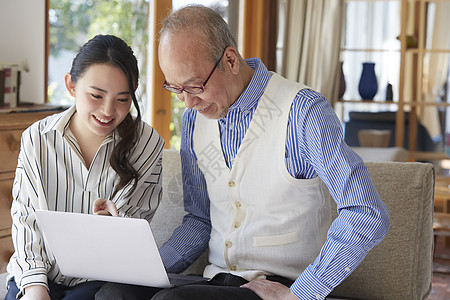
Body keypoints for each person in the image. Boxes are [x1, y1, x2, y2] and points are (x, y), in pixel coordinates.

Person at [96, 5, 390, 300]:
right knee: (112, 294)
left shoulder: (303, 112)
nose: (187, 102)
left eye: (195, 86)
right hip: (215, 282)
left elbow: (366, 212)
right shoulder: (194, 120)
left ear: (230, 60)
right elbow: (200, 219)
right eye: (175, 88)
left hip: (280, 285)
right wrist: (148, 270)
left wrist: (300, 294)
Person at [4, 34, 165, 300]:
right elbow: (25, 220)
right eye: (96, 95)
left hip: (103, 280)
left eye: (122, 99)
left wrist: (113, 224)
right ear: (71, 85)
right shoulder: (37, 138)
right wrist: (35, 287)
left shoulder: (146, 144)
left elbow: (132, 235)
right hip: (38, 273)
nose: (108, 110)